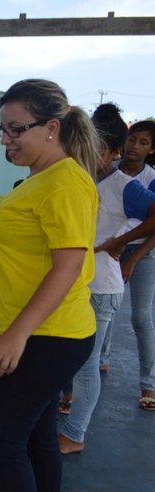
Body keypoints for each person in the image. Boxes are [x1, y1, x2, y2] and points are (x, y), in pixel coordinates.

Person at [0, 79, 100, 492]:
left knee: (3, 442)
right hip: (42, 331)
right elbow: (31, 259)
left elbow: (68, 266)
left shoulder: (65, 182)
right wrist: (4, 310)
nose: (8, 139)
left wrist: (17, 333)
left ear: (52, 128)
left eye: (17, 129)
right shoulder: (43, 176)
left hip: (47, 337)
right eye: (3, 129)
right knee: (36, 439)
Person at [58, 104, 155, 454]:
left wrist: (120, 242)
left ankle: (75, 433)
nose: (92, 152)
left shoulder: (123, 186)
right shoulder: (76, 178)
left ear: (114, 152)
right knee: (65, 356)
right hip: (73, 283)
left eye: (101, 148)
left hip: (100, 287)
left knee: (87, 365)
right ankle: (67, 408)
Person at [98, 120, 155, 403]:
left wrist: (131, 257)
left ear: (151, 149)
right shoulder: (108, 172)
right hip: (110, 250)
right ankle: (100, 360)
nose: (135, 146)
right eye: (132, 140)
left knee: (141, 317)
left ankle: (148, 384)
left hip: (142, 252)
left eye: (143, 143)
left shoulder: (150, 179)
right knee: (104, 310)